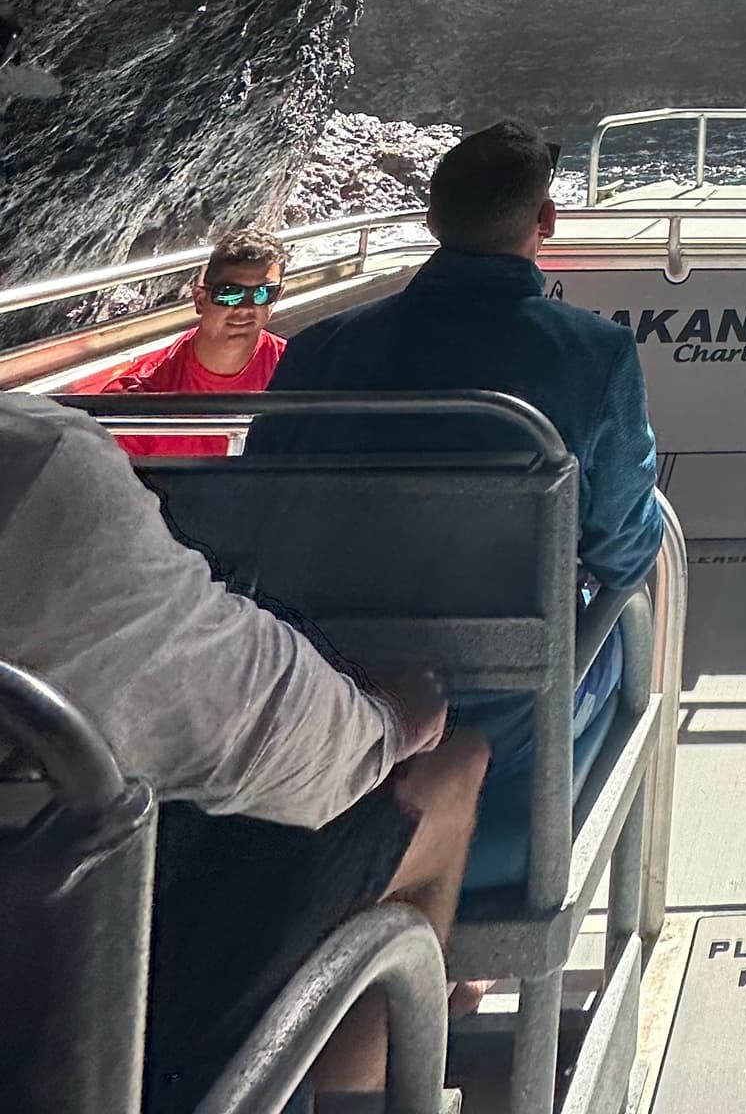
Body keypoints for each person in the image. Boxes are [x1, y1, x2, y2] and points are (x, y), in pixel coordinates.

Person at [0, 388, 487, 1111]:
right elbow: (304, 753)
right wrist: (394, 720)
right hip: (61, 1032)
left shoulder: (320, 361)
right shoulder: (37, 472)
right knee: (449, 768)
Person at [259, 119, 662, 879]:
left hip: (330, 703)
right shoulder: (594, 354)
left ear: (432, 222)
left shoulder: (319, 351)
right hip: (506, 723)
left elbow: (264, 527)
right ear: (545, 222)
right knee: (628, 624)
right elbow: (623, 545)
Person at [96, 223, 287, 458]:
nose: (245, 308)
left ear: (278, 296)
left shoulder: (298, 371)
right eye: (229, 293)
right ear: (199, 300)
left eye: (263, 293)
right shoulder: (140, 396)